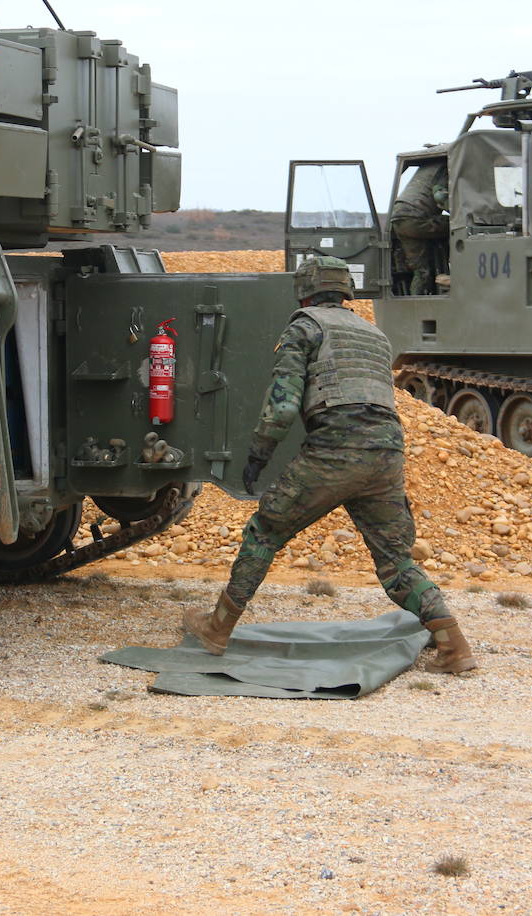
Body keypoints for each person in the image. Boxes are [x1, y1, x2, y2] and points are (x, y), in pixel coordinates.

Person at [182, 256, 477, 674]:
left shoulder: (304, 327)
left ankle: (217, 628)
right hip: (386, 456)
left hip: (334, 452)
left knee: (264, 532)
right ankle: (454, 646)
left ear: (305, 290)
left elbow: (282, 407)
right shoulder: (374, 334)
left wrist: (258, 455)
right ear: (345, 291)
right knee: (396, 560)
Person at [389, 162, 450, 296]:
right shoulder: (446, 166)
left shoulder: (427, 167)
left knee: (421, 270)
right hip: (416, 218)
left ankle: (415, 303)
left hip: (399, 220)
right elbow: (440, 195)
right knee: (457, 225)